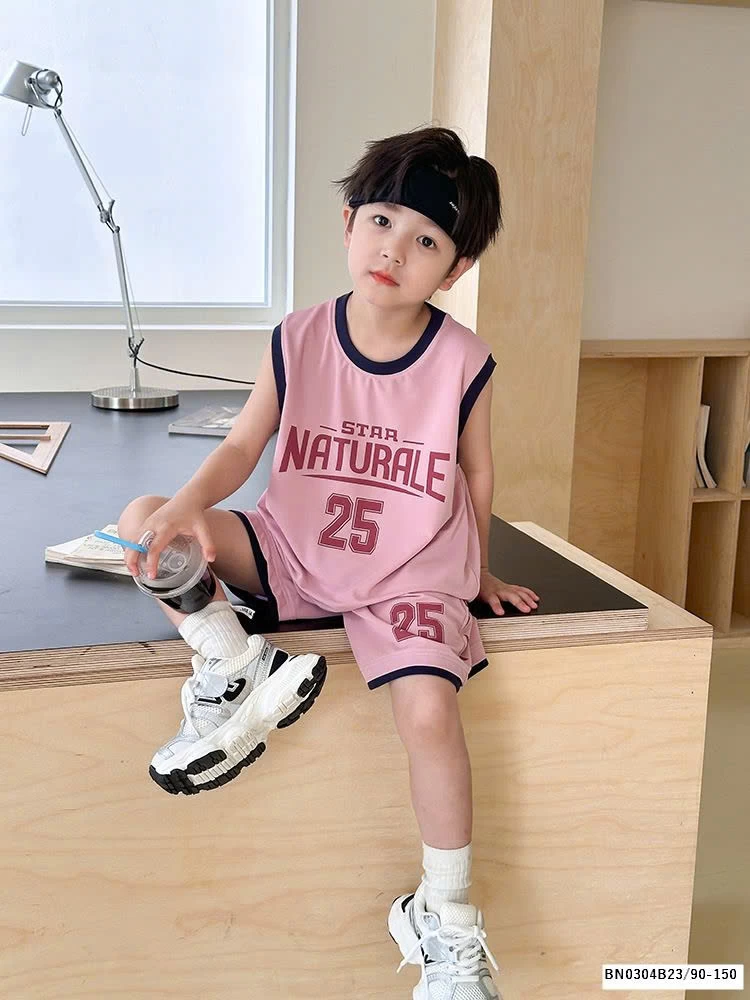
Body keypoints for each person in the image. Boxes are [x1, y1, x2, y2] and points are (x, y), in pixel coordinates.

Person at [118, 125, 539, 999]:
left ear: (455, 270)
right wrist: (189, 506)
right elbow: (244, 444)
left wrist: (480, 573)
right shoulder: (299, 335)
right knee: (145, 520)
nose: (395, 250)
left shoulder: (464, 360)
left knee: (431, 713)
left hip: (409, 570)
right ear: (350, 224)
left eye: (427, 241)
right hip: (294, 547)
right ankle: (234, 663)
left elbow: (477, 472)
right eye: (382, 222)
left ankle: (445, 915)